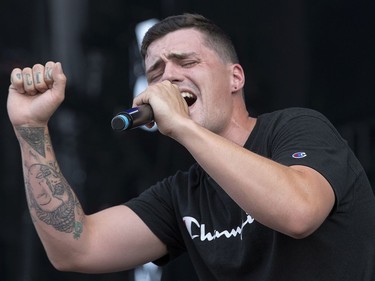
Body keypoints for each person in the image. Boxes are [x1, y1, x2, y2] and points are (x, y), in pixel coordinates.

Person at [7, 13, 375, 281]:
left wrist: (182, 125)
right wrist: (30, 128)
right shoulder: (182, 195)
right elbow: (75, 248)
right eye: (155, 73)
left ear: (235, 77)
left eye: (186, 62)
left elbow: (299, 212)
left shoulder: (296, 127)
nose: (168, 76)